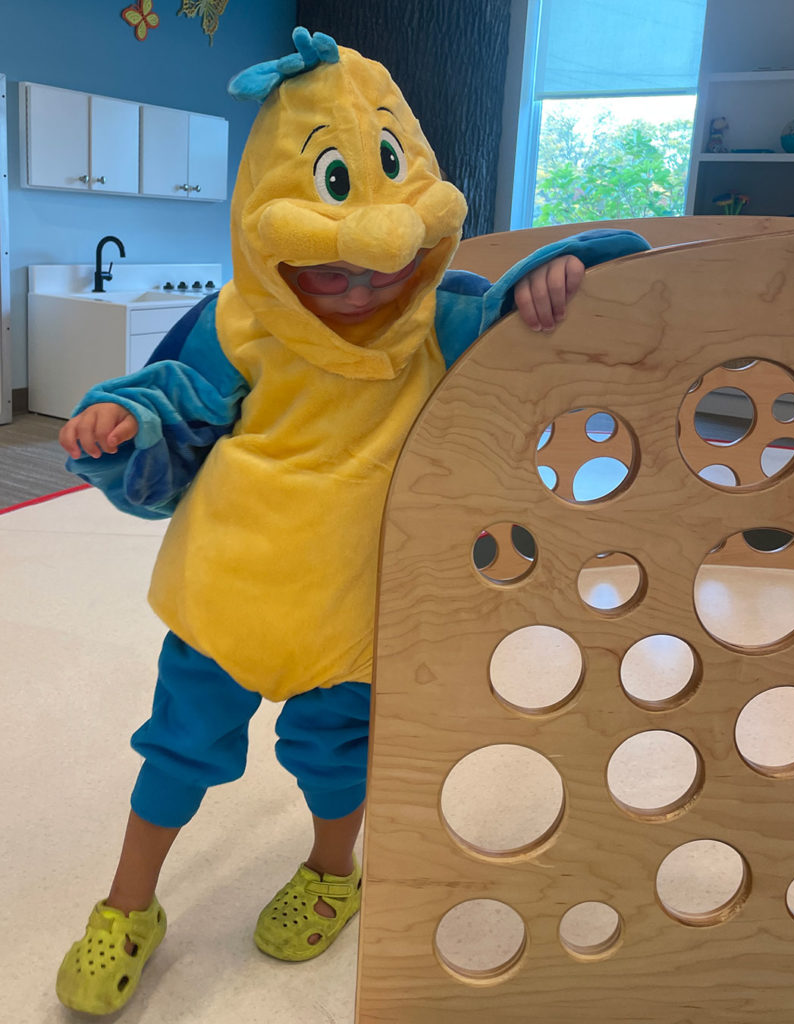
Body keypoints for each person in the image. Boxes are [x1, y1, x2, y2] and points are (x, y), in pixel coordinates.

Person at [55, 28, 649, 1015]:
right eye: (328, 268)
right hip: (229, 598)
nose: (361, 280)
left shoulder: (445, 322)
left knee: (337, 756)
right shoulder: (236, 320)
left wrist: (557, 279)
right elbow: (173, 400)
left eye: (379, 260)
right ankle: (128, 903)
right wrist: (124, 423)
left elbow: (524, 324)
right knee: (175, 750)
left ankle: (335, 869)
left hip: (360, 616)